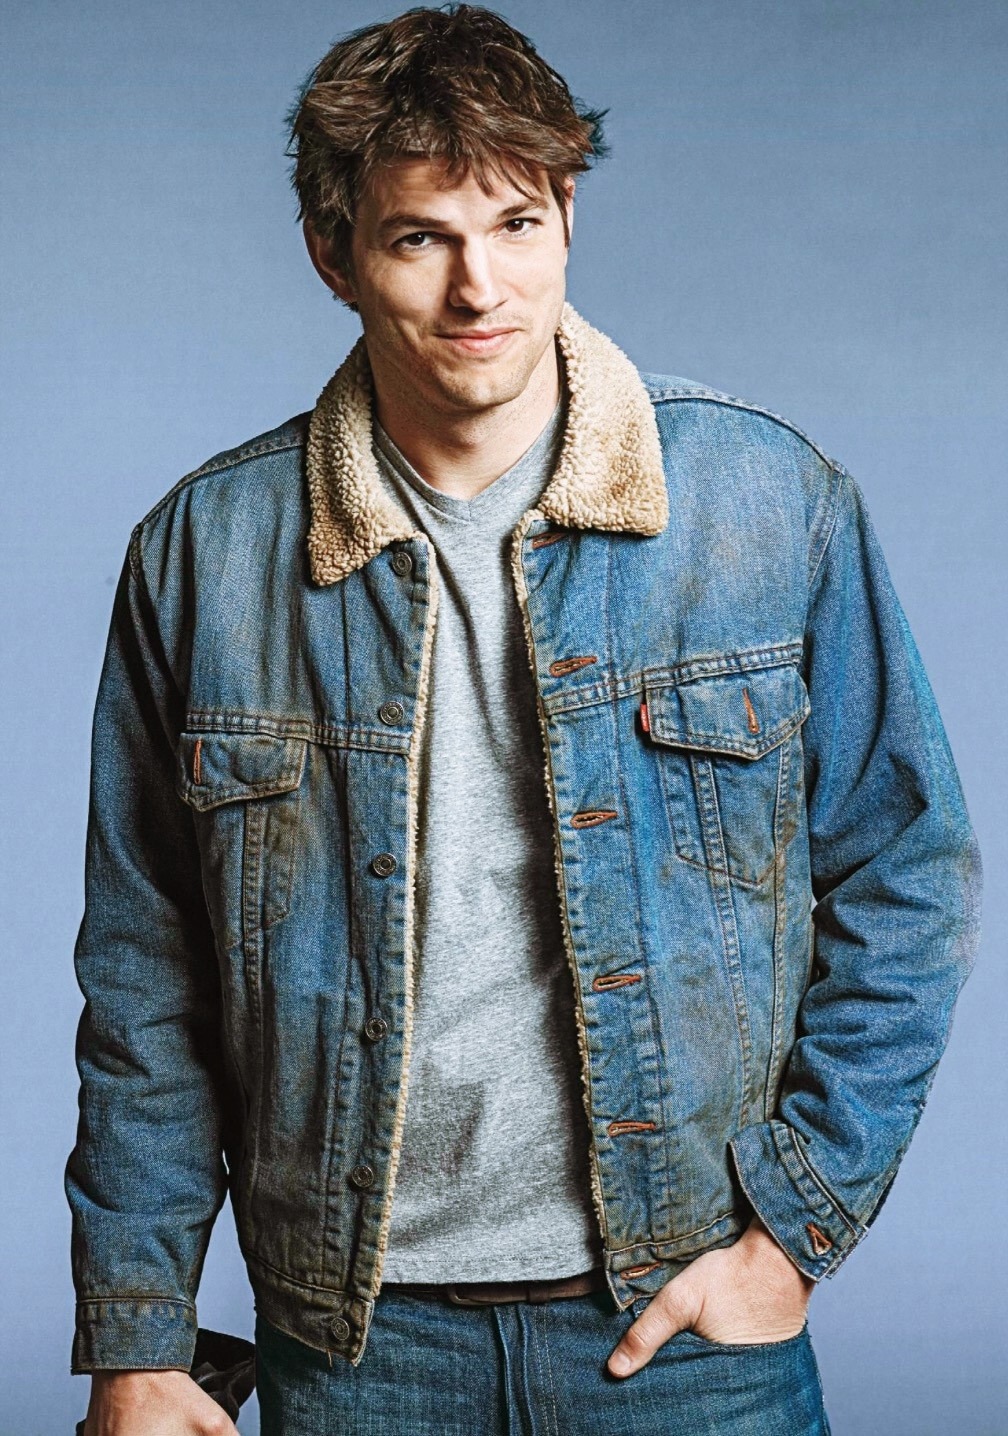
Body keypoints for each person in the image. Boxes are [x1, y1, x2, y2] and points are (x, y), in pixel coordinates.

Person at [68, 6, 982, 1434]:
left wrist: (792, 1232)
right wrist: (138, 1339)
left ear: (568, 220)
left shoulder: (763, 502)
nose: (478, 287)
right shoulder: (207, 555)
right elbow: (146, 978)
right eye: (419, 238)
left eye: (516, 223)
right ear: (334, 256)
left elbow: (908, 875)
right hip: (359, 1349)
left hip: (681, 1330)